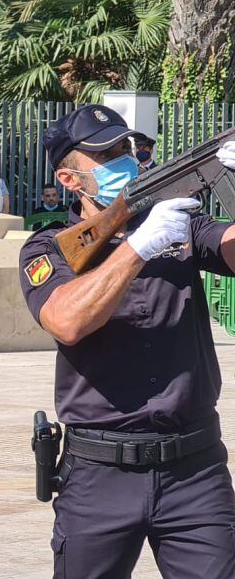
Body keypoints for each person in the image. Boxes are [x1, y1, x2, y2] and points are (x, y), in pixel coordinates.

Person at [18, 103, 235, 578]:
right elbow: (66, 320)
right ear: (70, 179)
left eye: (127, 148)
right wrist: (137, 248)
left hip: (194, 469)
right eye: (107, 153)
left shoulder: (180, 227)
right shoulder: (48, 248)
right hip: (99, 473)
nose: (126, 159)